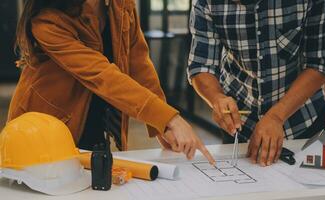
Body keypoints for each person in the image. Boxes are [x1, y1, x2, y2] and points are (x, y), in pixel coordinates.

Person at [9, 0, 215, 164]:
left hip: (95, 117)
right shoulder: (48, 19)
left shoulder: (121, 4)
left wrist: (160, 123)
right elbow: (103, 76)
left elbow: (139, 64)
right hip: (45, 127)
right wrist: (171, 119)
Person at [188, 0, 325, 166]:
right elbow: (201, 66)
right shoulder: (206, 2)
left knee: (313, 190)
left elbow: (321, 63)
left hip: (303, 124)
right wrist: (217, 98)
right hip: (241, 127)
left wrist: (276, 116)